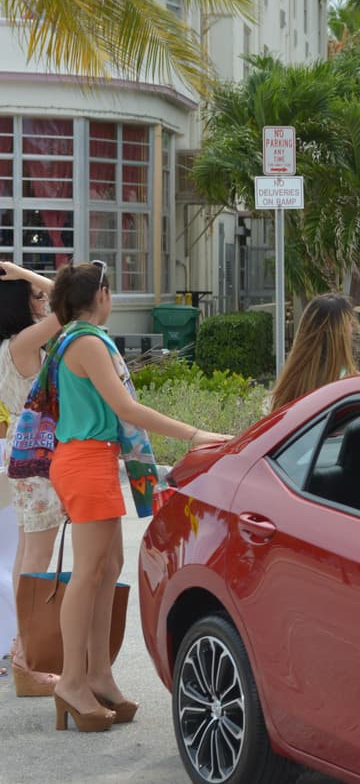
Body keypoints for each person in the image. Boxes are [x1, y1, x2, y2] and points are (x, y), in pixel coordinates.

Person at [47, 261, 229, 732]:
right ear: (102, 296)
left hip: (94, 459)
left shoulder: (76, 336)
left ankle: (97, 675)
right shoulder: (86, 341)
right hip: (86, 460)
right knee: (89, 573)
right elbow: (125, 408)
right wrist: (193, 433)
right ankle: (71, 681)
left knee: (106, 570)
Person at [0, 262, 65, 696]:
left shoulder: (11, 346)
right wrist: (23, 272)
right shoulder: (23, 343)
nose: (42, 301)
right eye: (34, 297)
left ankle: (23, 654)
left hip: (22, 455)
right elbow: (74, 303)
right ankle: (26, 660)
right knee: (36, 559)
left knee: (28, 555)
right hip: (39, 459)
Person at [270, 294, 360, 410]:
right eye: (350, 323)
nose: (352, 329)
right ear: (340, 332)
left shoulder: (291, 381)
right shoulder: (350, 383)